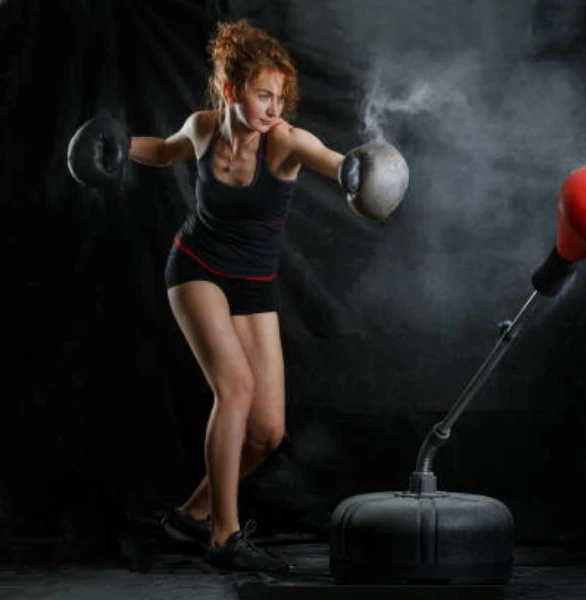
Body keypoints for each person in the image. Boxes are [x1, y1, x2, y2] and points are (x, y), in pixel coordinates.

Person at [66, 19, 408, 573]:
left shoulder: (287, 143)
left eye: (280, 98)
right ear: (232, 91)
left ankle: (189, 516)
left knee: (268, 432)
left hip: (252, 285)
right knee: (236, 387)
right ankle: (224, 538)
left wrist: (360, 173)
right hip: (196, 267)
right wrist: (122, 146)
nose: (274, 109)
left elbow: (335, 163)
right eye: (262, 95)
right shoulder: (203, 128)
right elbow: (167, 149)